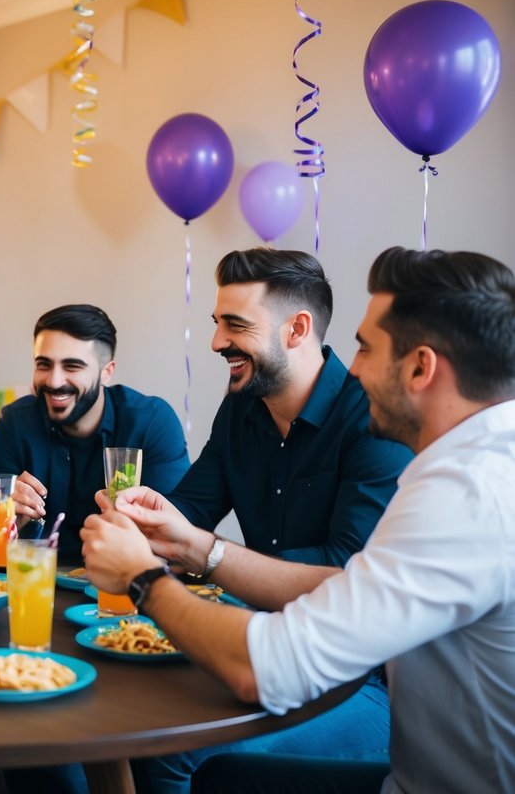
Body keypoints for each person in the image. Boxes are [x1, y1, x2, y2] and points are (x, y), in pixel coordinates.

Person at [83, 246, 515, 794]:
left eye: (365, 348)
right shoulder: (473, 465)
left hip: (369, 695)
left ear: (421, 367)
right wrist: (173, 536)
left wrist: (144, 578)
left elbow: (269, 665)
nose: (353, 366)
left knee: (176, 750)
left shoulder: (466, 492)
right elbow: (345, 582)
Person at [124, 248, 412, 793]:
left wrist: (204, 553)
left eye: (236, 325)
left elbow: (341, 574)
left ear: (297, 329)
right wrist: (138, 519)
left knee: (172, 752)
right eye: (216, 324)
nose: (216, 343)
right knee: (127, 712)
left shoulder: (370, 417)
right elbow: (187, 513)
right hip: (266, 644)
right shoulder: (241, 407)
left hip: (365, 682)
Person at [0, 304, 189, 565]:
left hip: (127, 590)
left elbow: (176, 544)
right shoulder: (15, 422)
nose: (54, 381)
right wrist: (12, 522)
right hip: (38, 586)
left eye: (72, 366)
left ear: (107, 372)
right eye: (44, 364)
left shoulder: (151, 422)